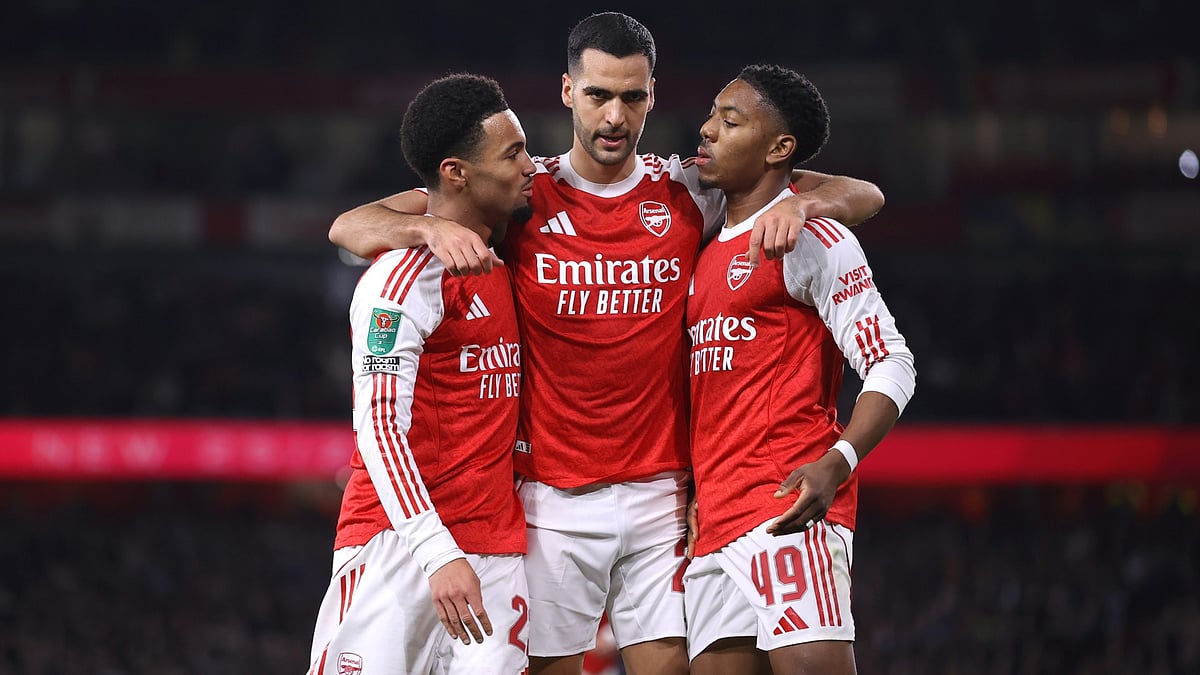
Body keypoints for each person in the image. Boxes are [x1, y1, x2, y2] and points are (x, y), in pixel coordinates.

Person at [327, 13, 885, 675]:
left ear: (652, 94)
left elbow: (865, 193)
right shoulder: (522, 193)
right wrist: (426, 232)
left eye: (633, 96)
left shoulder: (684, 191)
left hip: (661, 501)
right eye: (599, 95)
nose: (615, 116)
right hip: (549, 502)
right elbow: (351, 226)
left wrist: (803, 205)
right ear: (568, 91)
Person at [683, 64, 916, 674]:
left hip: (788, 512)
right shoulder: (707, 244)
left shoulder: (817, 237)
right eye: (711, 114)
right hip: (714, 527)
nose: (706, 130)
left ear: (779, 148)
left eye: (729, 122)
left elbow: (892, 360)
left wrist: (837, 463)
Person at [305, 73, 535, 675]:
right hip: (397, 552)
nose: (530, 165)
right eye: (513, 154)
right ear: (457, 172)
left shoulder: (505, 249)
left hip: (496, 553)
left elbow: (354, 220)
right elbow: (378, 428)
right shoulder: (398, 283)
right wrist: (436, 553)